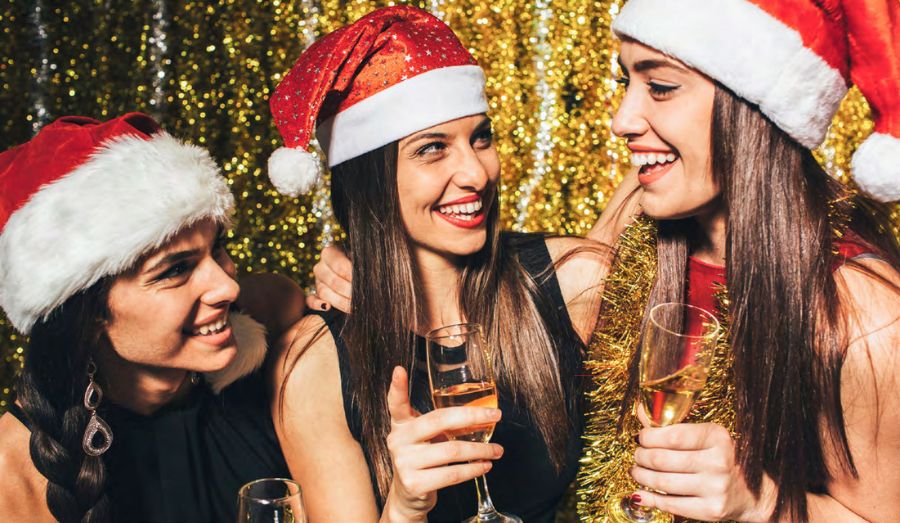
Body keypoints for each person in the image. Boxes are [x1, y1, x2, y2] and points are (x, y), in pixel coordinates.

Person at [263, 6, 631, 522]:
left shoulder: (571, 281)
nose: (477, 172)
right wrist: (406, 507)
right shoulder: (312, 363)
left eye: (480, 137)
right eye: (432, 149)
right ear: (369, 185)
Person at [572, 0, 899, 521]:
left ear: (754, 106)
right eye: (625, 82)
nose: (621, 120)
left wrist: (758, 502)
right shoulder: (641, 204)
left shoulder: (866, 317)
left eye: (660, 87)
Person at [0, 113, 298, 522]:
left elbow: (280, 293)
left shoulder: (264, 338)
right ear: (86, 315)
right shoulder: (13, 471)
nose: (228, 287)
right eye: (176, 270)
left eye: (218, 249)